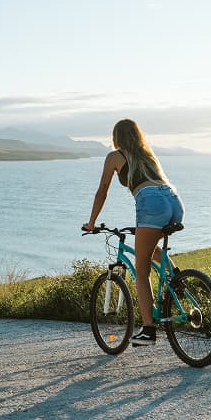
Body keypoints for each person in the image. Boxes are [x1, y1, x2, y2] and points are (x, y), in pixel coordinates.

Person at [83, 118, 184, 346]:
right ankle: (175, 278)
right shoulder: (148, 154)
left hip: (151, 203)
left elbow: (102, 192)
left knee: (141, 271)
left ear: (116, 137)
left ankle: (148, 330)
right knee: (147, 246)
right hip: (174, 202)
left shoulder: (115, 156)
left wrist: (91, 223)